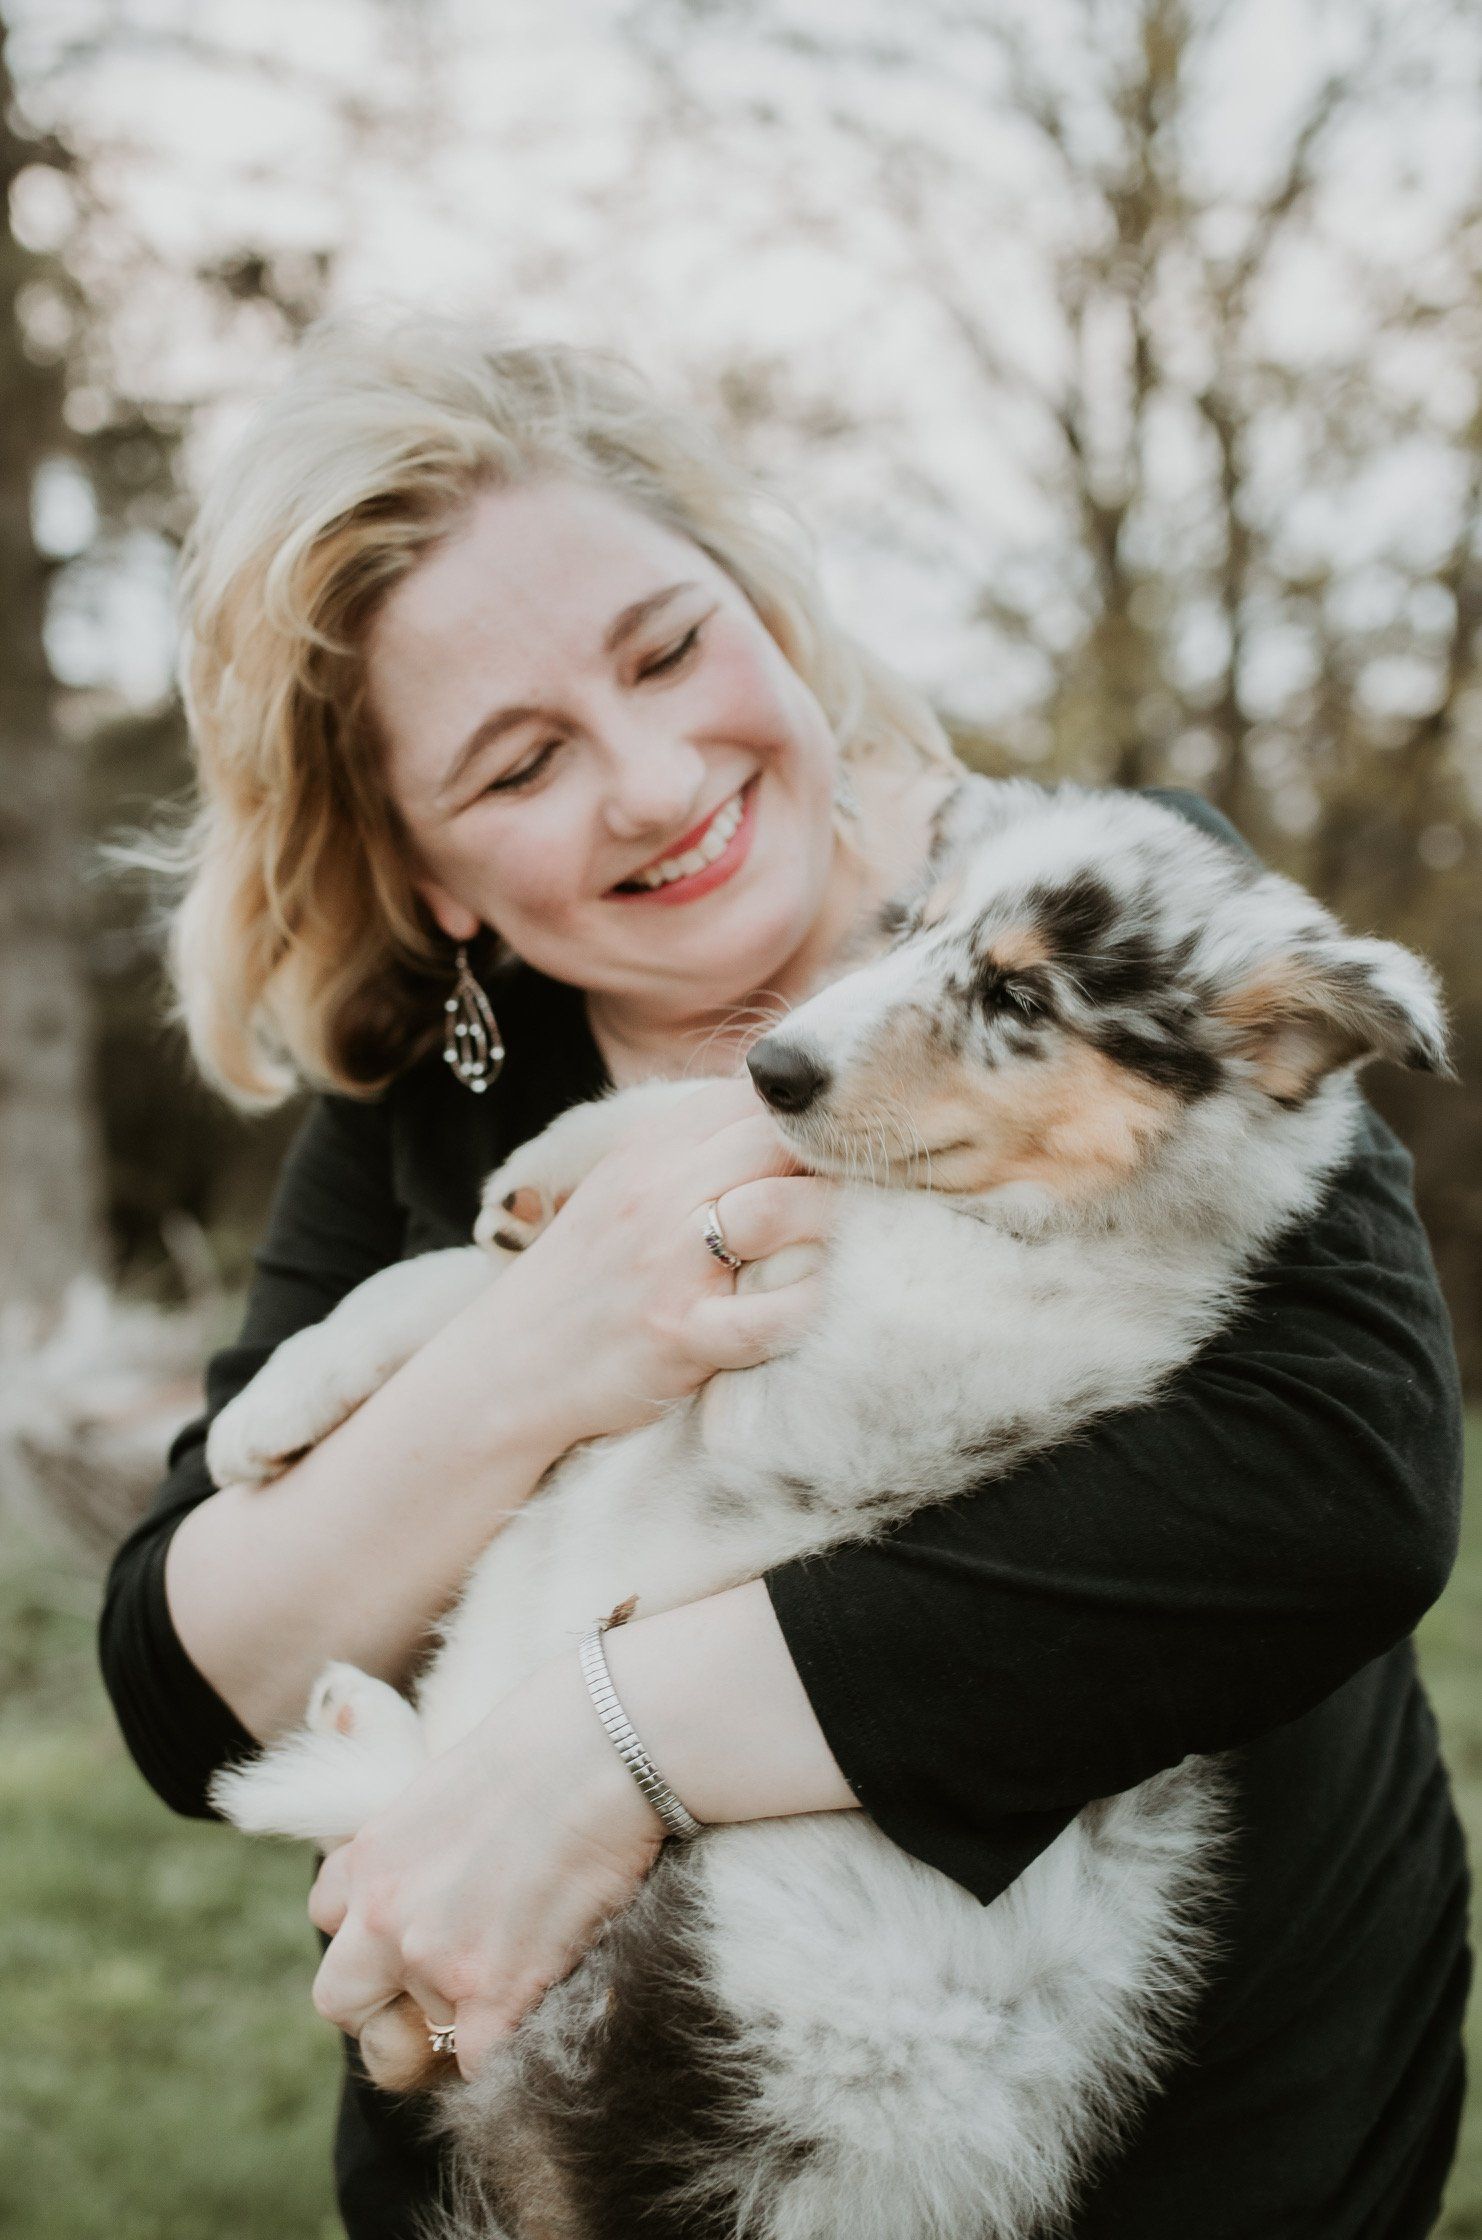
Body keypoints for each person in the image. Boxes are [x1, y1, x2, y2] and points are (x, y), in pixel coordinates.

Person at [99, 314, 1470, 2240]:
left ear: (765, 602)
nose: (655, 779)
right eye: (520, 764)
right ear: (434, 886)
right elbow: (186, 1686)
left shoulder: (1108, 914)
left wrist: (608, 1745)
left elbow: (1335, 1490)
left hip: (1175, 2163)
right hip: (572, 2157)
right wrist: (545, 1344)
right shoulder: (428, 1101)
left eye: (667, 647)